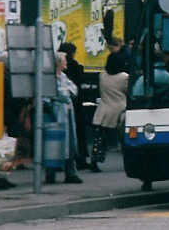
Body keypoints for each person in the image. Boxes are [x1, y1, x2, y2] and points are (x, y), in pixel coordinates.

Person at [91, 41, 130, 171]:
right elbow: (128, 92)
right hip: (120, 110)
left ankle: (95, 160)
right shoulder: (124, 77)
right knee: (124, 140)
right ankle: (128, 161)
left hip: (103, 110)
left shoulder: (102, 75)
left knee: (99, 139)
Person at [45, 52, 83, 184]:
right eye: (64, 60)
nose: (66, 62)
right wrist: (63, 94)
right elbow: (54, 94)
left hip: (67, 113)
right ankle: (50, 174)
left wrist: (63, 94)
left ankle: (71, 173)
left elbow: (74, 90)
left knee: (70, 143)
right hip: (55, 114)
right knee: (52, 144)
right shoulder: (49, 78)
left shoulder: (63, 76)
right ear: (58, 63)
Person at [59, 42, 89, 170]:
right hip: (76, 105)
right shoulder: (75, 66)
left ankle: (62, 161)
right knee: (78, 133)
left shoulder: (60, 70)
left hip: (63, 108)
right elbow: (78, 85)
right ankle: (80, 159)